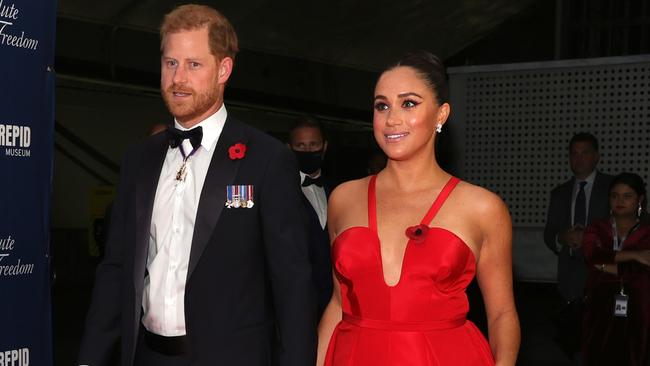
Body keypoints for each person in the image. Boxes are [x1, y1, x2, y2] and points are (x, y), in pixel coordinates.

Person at [77, 5, 316, 366]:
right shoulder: (139, 159)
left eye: (193, 64)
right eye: (170, 63)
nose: (178, 78)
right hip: (148, 356)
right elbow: (117, 268)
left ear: (224, 70)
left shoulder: (266, 159)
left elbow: (292, 285)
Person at [317, 50, 520, 366]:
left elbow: (502, 314)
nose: (392, 118)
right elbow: (337, 301)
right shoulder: (343, 198)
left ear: (441, 114)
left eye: (408, 103)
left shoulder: (482, 207)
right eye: (382, 105)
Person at [543, 132, 613, 359]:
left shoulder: (613, 188)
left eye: (584, 153)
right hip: (570, 283)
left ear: (596, 157)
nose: (578, 159)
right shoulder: (560, 193)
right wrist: (562, 238)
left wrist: (590, 239)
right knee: (571, 350)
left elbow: (628, 228)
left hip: (604, 279)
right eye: (574, 154)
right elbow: (549, 234)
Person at [582, 172, 650, 366]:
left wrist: (603, 266)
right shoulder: (597, 227)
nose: (619, 200)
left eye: (627, 196)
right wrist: (636, 255)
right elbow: (591, 254)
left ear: (640, 200)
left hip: (639, 306)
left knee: (635, 355)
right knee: (597, 354)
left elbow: (643, 273)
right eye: (614, 195)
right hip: (599, 305)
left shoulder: (647, 231)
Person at [287, 116, 333, 317]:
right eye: (301, 145)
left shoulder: (340, 190)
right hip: (295, 304)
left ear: (324, 147)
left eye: (313, 144)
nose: (307, 150)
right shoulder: (279, 191)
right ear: (289, 148)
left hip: (335, 301)